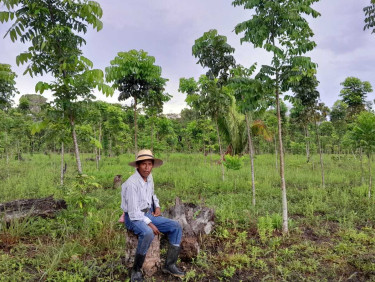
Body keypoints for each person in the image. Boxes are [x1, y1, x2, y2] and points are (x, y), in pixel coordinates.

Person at [121, 149, 185, 282]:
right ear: (138, 165)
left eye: (149, 164)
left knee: (176, 226)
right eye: (143, 164)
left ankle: (170, 264)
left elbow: (152, 194)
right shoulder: (131, 184)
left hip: (148, 213)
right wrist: (149, 223)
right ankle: (136, 271)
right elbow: (133, 212)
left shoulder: (149, 178)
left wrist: (157, 205)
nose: (147, 167)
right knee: (148, 233)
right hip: (133, 217)